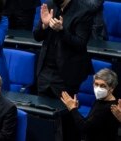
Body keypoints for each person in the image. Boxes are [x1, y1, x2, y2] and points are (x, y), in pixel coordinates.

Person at [33, 0, 94, 140]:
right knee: (42, 118)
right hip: (45, 72)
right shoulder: (49, 5)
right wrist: (44, 25)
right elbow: (37, 36)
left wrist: (62, 31)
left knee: (67, 122)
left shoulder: (84, 11)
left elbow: (80, 43)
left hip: (66, 75)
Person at [61, 68, 119, 141]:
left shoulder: (110, 108)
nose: (98, 88)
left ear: (111, 88)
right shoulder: (100, 100)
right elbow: (88, 122)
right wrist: (74, 109)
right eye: (96, 84)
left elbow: (84, 127)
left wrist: (73, 109)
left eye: (103, 86)